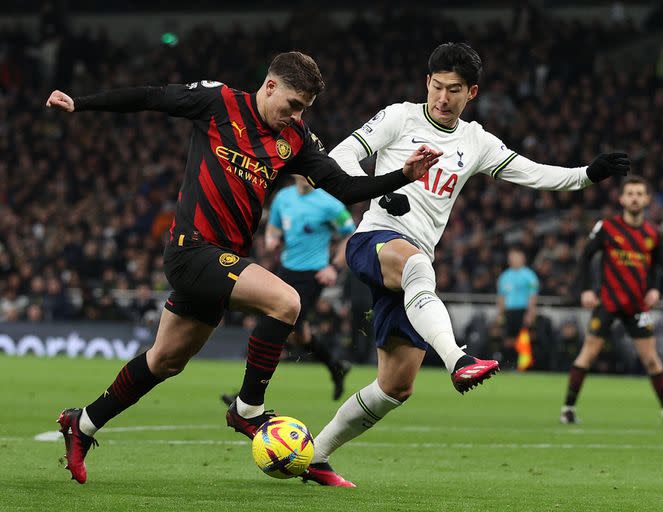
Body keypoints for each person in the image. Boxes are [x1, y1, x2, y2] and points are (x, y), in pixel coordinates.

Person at [45, 51, 442, 484]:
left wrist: (404, 174)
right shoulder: (218, 102)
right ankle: (247, 408)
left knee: (164, 361)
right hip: (192, 250)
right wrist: (80, 103)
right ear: (270, 86)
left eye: (303, 109)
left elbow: (344, 187)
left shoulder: (295, 138)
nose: (295, 114)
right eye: (292, 104)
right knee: (286, 302)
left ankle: (81, 423)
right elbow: (151, 97)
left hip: (222, 262)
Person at [302, 42, 630, 487]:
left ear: (470, 93)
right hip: (374, 239)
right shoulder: (399, 117)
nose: (442, 97)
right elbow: (339, 156)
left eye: (453, 90)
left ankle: (315, 458)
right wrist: (378, 186)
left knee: (395, 388)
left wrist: (586, 175)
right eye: (436, 86)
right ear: (427, 83)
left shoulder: (476, 142)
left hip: (412, 263)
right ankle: (458, 360)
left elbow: (533, 173)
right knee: (419, 266)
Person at [560, 176, 663, 428]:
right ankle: (568, 408)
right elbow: (585, 257)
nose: (635, 198)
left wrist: (655, 289)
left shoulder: (653, 233)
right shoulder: (606, 228)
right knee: (589, 353)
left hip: (637, 305)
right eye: (630, 194)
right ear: (621, 199)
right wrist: (585, 289)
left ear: (648, 199)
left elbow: (661, 266)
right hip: (608, 302)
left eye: (640, 194)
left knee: (651, 359)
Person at [222, 175, 355, 403]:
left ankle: (245, 396)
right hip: (286, 270)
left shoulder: (329, 203)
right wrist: (272, 238)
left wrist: (334, 267)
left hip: (312, 275)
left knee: (274, 326)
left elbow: (350, 235)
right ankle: (335, 365)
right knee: (299, 332)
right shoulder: (283, 198)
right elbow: (273, 227)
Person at [496, 247, 539, 368]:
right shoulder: (504, 276)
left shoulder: (529, 275)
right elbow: (501, 297)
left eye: (516, 257)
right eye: (512, 257)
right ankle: (509, 363)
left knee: (523, 339)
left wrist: (530, 313)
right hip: (509, 311)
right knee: (508, 339)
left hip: (522, 310)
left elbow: (533, 296)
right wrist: (500, 313)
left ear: (522, 258)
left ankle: (523, 366)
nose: (514, 259)